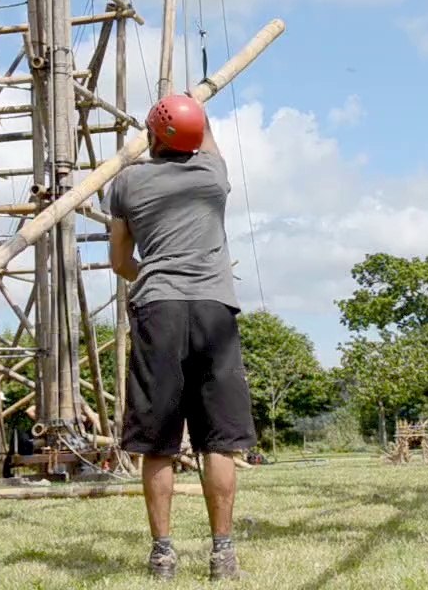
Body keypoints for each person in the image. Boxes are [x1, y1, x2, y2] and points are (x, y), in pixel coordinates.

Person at [107, 93, 256, 581]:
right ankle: (222, 553)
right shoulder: (213, 177)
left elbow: (120, 261)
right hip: (215, 307)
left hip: (159, 308)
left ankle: (163, 554)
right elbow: (205, 132)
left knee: (158, 442)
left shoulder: (127, 183)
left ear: (153, 136)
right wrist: (191, 103)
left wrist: (154, 276)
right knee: (219, 440)